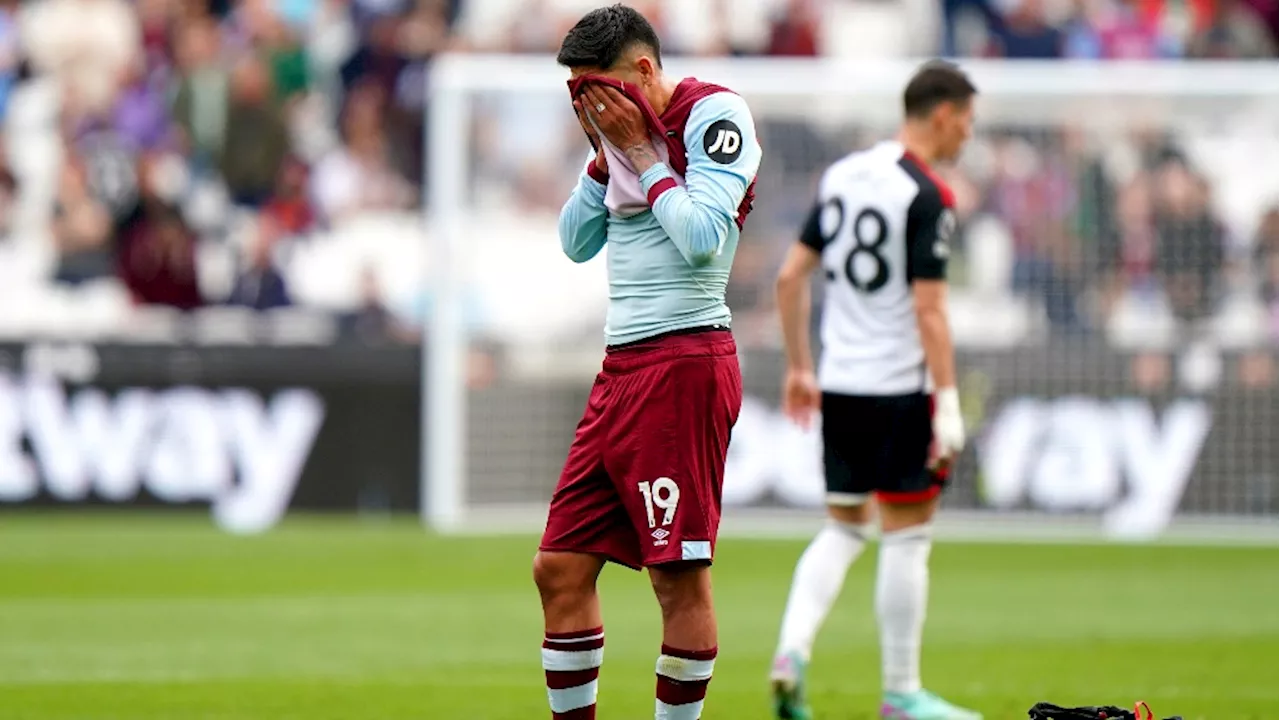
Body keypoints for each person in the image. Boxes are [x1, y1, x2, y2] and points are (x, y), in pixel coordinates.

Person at [531, 5, 762, 720]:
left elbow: (701, 240)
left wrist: (644, 156)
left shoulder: (714, 116)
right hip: (622, 370)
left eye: (594, 88)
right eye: (576, 94)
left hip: (684, 361)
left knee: (678, 581)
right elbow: (574, 242)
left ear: (642, 70)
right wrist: (604, 155)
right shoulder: (616, 138)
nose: (586, 103)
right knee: (559, 567)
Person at [768, 60, 982, 720]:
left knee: (842, 527)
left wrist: (801, 368)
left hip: (841, 386)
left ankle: (791, 653)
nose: (966, 139)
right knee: (908, 538)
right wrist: (947, 402)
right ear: (942, 115)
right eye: (966, 125)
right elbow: (930, 310)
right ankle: (901, 693)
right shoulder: (928, 195)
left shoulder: (841, 176)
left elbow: (788, 278)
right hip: (899, 391)